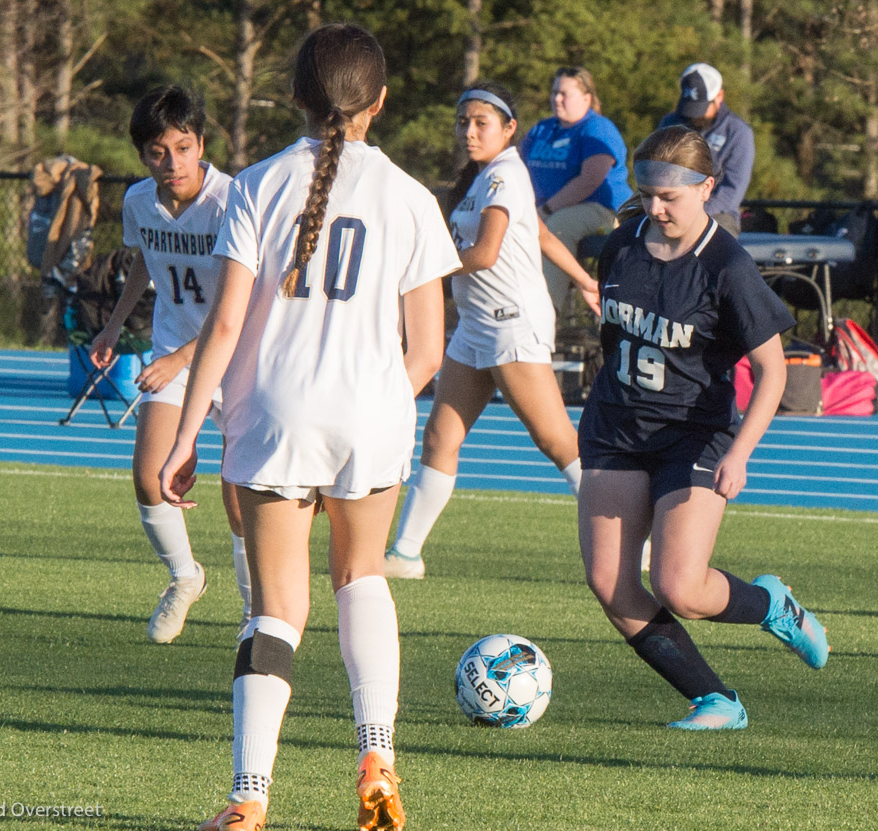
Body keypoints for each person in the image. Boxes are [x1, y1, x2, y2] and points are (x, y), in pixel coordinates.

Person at [159, 23, 456, 831]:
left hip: (273, 414)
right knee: (362, 576)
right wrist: (373, 405)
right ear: (381, 102)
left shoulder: (255, 183)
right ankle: (376, 753)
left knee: (274, 610)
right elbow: (428, 348)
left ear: (294, 96)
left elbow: (223, 326)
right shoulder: (411, 196)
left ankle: (248, 798)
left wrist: (185, 437)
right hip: (370, 411)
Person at [577, 126, 828, 730]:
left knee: (680, 588)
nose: (655, 208)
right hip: (615, 428)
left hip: (695, 434)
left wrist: (741, 453)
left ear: (707, 188)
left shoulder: (727, 266)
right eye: (647, 194)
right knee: (611, 585)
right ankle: (716, 700)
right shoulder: (622, 245)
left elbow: (771, 370)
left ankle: (773, 606)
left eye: (671, 197)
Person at [384, 82, 600, 580]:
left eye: (482, 123)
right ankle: (405, 555)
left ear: (509, 130)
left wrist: (416, 271)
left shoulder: (504, 173)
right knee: (439, 437)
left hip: (510, 324)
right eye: (463, 122)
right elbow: (542, 234)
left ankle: (634, 538)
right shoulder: (484, 176)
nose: (469, 131)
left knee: (557, 441)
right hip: (477, 327)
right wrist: (586, 280)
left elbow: (485, 253)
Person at [90, 85, 250, 644]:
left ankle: (257, 616)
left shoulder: (234, 200)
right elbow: (145, 262)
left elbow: (244, 298)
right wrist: (114, 323)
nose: (172, 162)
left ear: (201, 144)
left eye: (183, 148)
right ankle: (186, 577)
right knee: (150, 477)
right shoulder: (138, 200)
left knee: (240, 497)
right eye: (159, 152)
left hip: (238, 355)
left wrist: (183, 356)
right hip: (175, 352)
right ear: (143, 156)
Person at [520, 66, 632, 314]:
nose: (556, 99)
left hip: (601, 211)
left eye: (563, 93)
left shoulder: (597, 129)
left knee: (558, 226)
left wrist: (546, 210)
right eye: (553, 92)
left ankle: (543, 314)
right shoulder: (542, 130)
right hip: (542, 209)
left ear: (586, 98)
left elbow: (590, 180)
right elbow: (516, 169)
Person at [658, 62, 755, 236]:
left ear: (719, 97)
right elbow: (657, 171)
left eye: (701, 108)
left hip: (718, 214)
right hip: (668, 209)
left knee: (707, 238)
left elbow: (731, 192)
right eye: (690, 108)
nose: (694, 116)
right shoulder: (670, 123)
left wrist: (692, 213)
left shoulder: (738, 132)